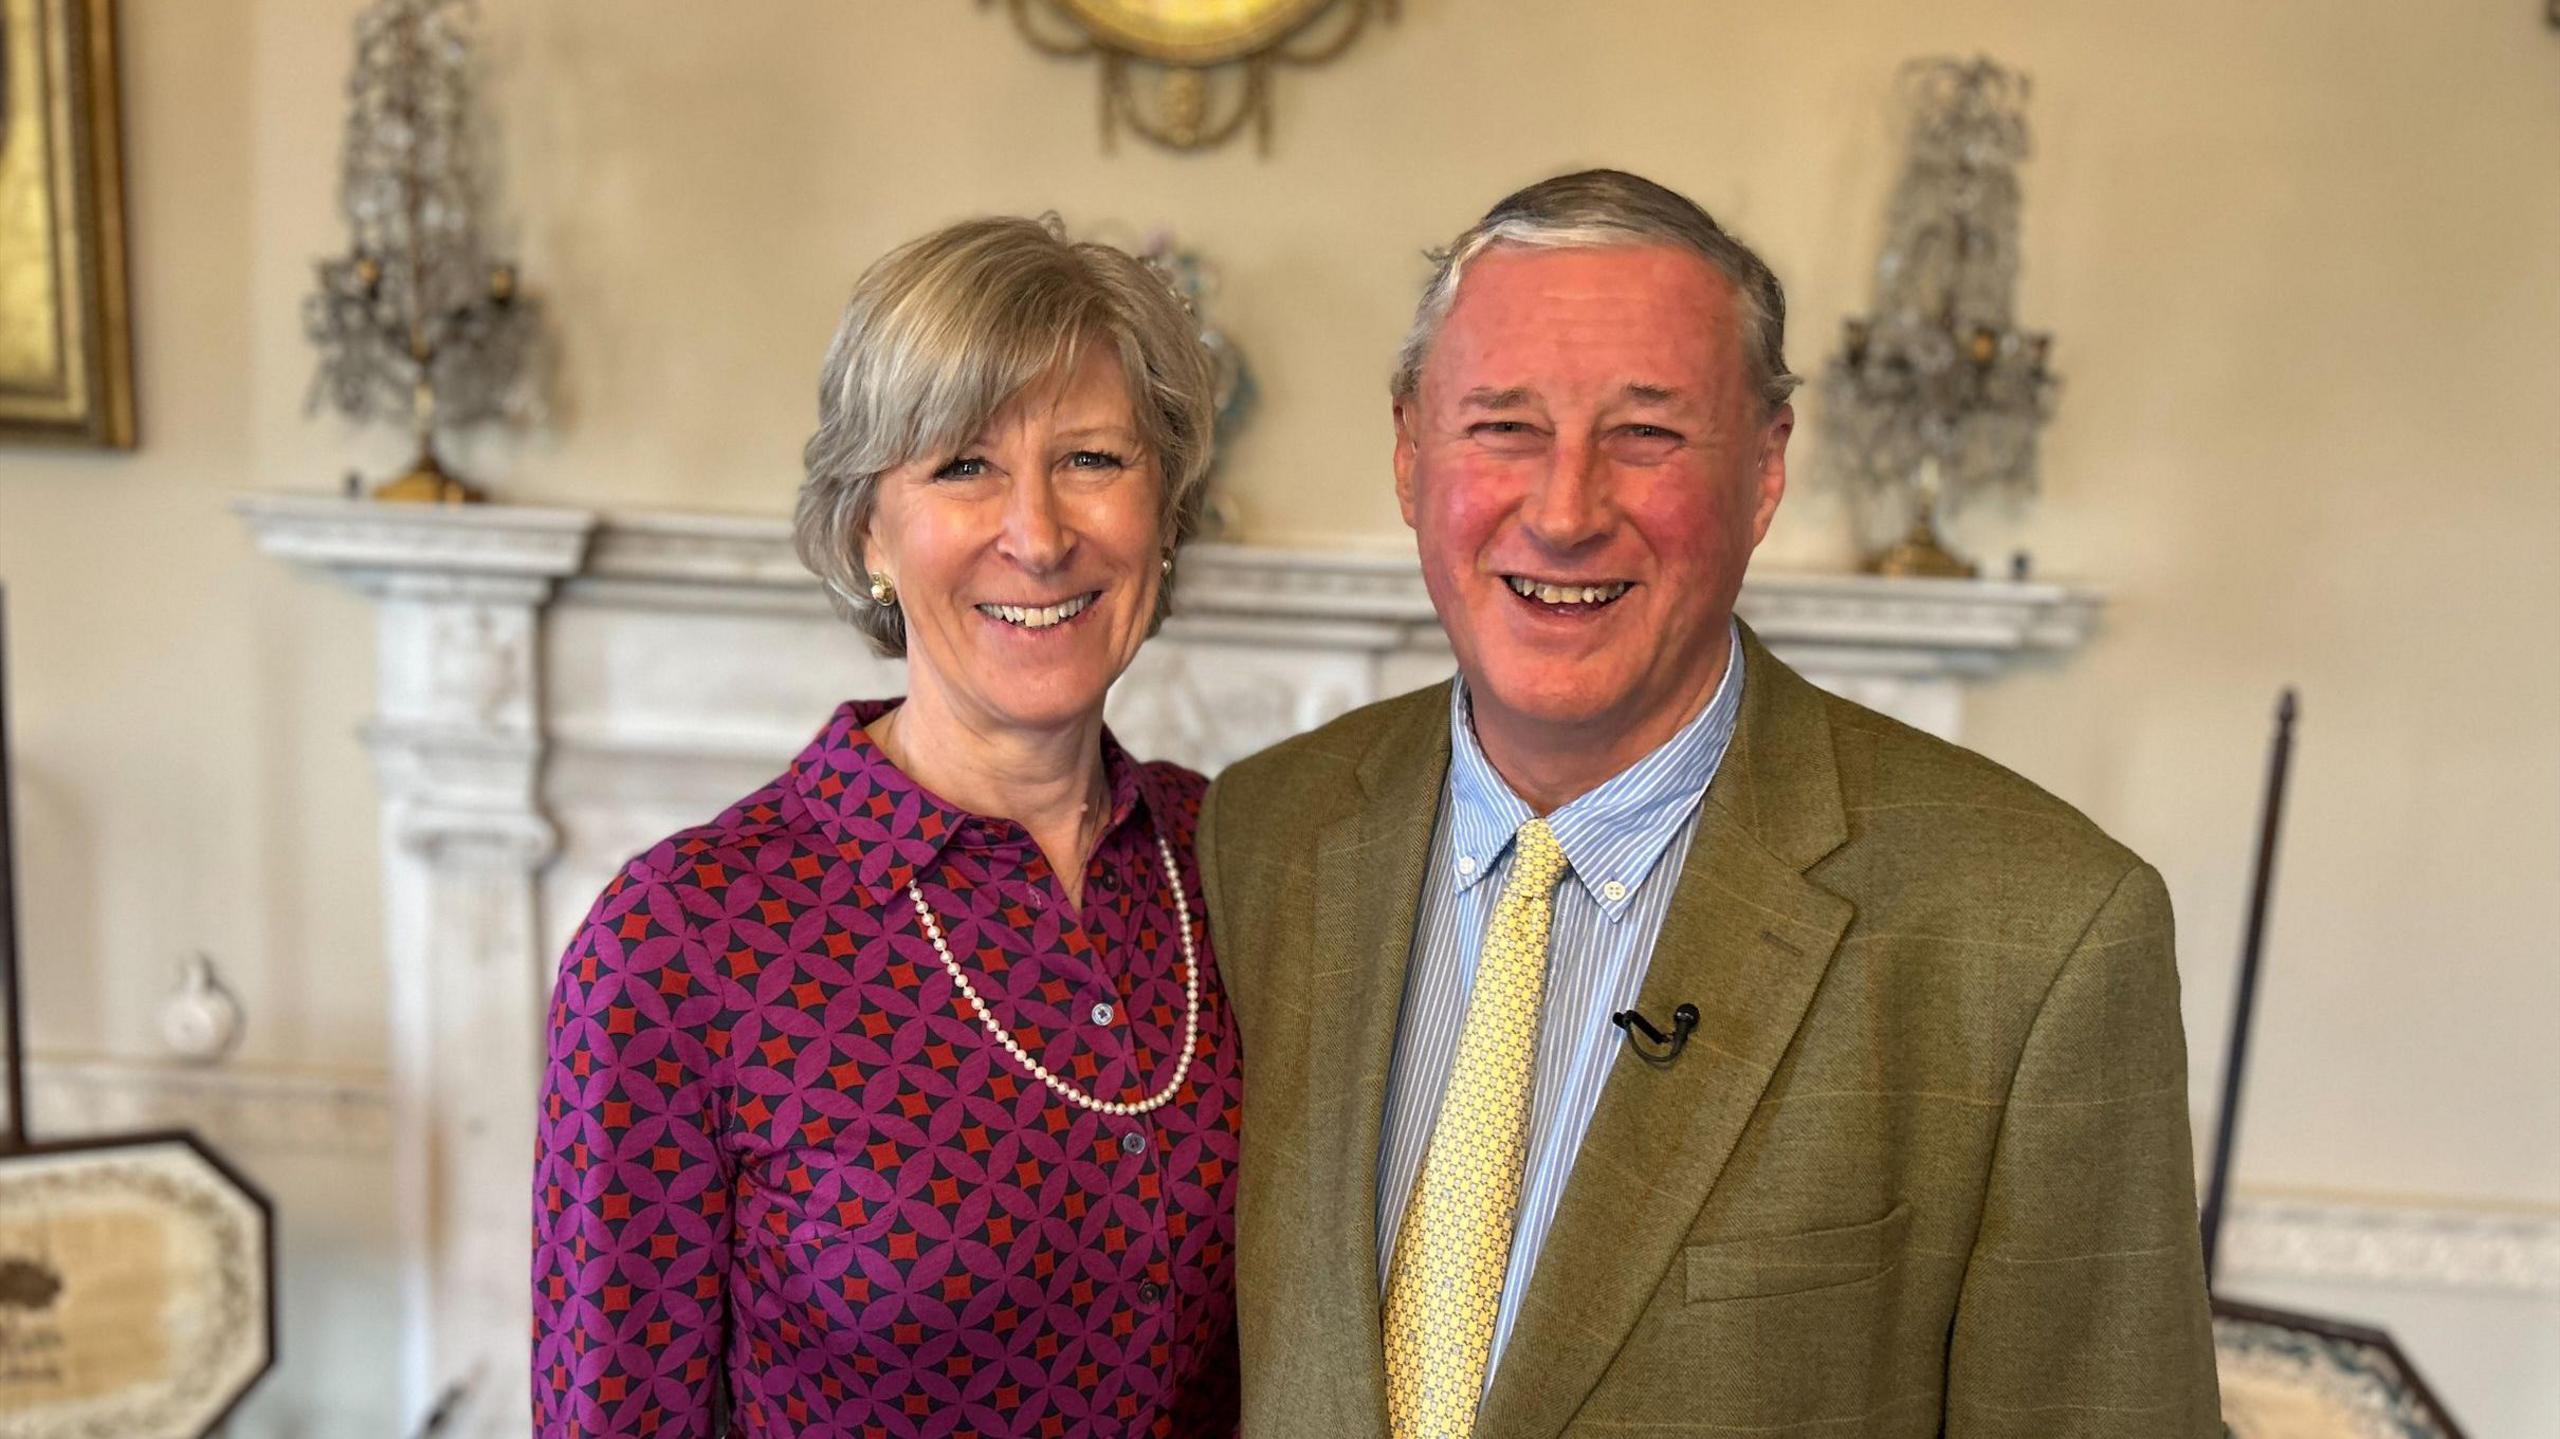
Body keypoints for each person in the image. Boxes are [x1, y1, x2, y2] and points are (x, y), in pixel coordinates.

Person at [1199, 170, 2220, 1438]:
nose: (1564, 509)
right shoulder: (1258, 836)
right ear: (1411, 452)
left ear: (1765, 466)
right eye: (1501, 426)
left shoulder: (2038, 930)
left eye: (1648, 433)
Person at [532, 216, 1241, 1437]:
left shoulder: (1236, 859)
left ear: (1163, 512)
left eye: (1091, 458)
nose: (1038, 532)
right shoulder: (678, 944)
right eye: (963, 465)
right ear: (868, 526)